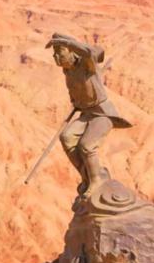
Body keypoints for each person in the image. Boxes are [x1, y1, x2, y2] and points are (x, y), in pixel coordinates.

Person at [46, 33, 132, 196]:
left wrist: (68, 42)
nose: (56, 57)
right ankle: (88, 175)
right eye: (54, 54)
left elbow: (91, 52)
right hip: (87, 113)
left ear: (72, 52)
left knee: (86, 146)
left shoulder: (86, 65)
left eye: (60, 52)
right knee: (67, 137)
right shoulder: (68, 70)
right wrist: (77, 103)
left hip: (102, 114)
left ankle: (96, 180)